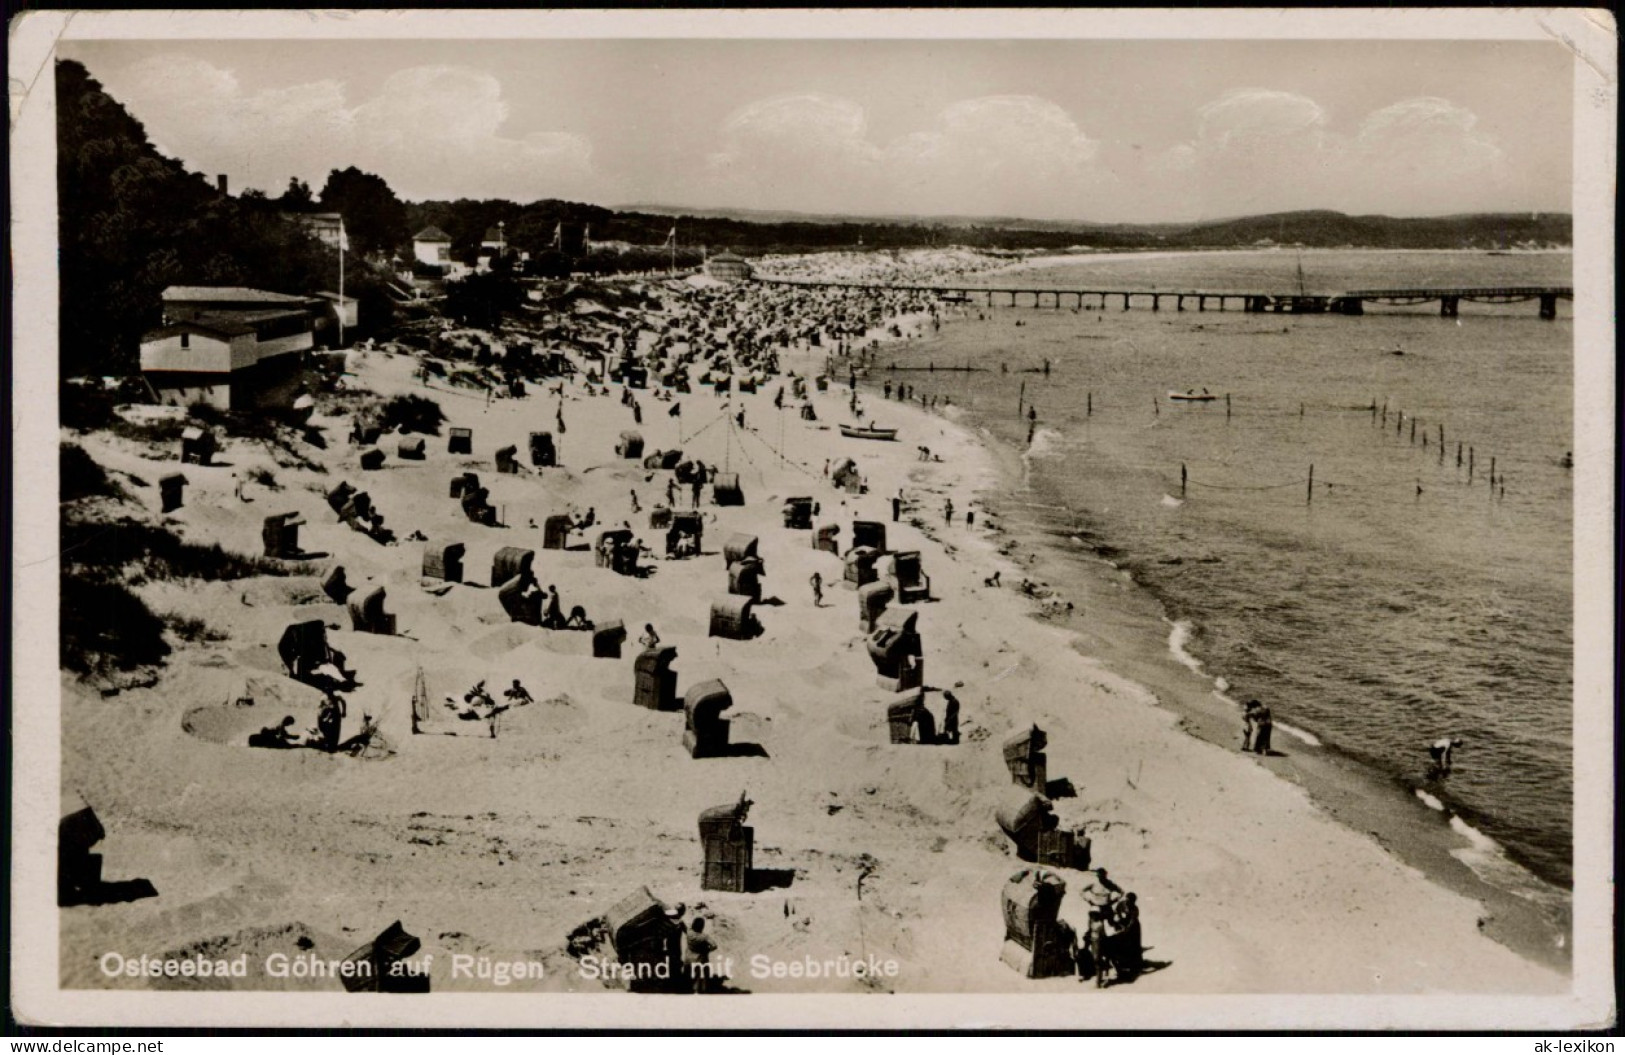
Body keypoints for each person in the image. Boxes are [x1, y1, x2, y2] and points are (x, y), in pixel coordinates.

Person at [686, 916, 719, 994]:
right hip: (700, 958)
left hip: (688, 957)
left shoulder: (689, 933)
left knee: (689, 975)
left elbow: (688, 927)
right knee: (700, 976)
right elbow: (714, 945)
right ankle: (699, 991)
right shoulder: (704, 937)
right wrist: (707, 950)